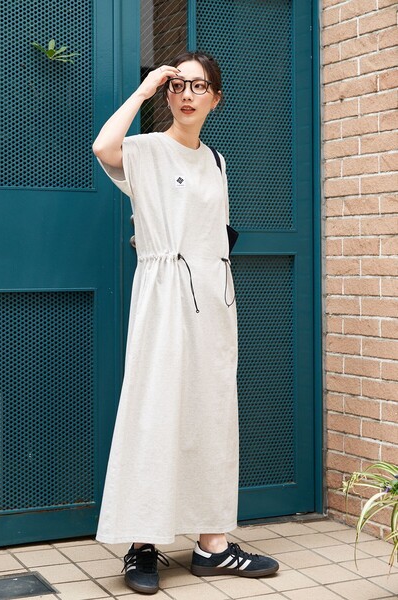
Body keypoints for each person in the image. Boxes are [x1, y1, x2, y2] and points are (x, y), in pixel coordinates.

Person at [92, 51, 279, 595]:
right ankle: (141, 543)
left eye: (199, 86)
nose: (187, 94)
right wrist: (144, 89)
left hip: (214, 300)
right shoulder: (148, 149)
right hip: (164, 294)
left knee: (210, 413)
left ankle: (211, 545)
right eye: (179, 85)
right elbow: (103, 147)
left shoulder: (217, 161)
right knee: (153, 410)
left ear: (216, 99)